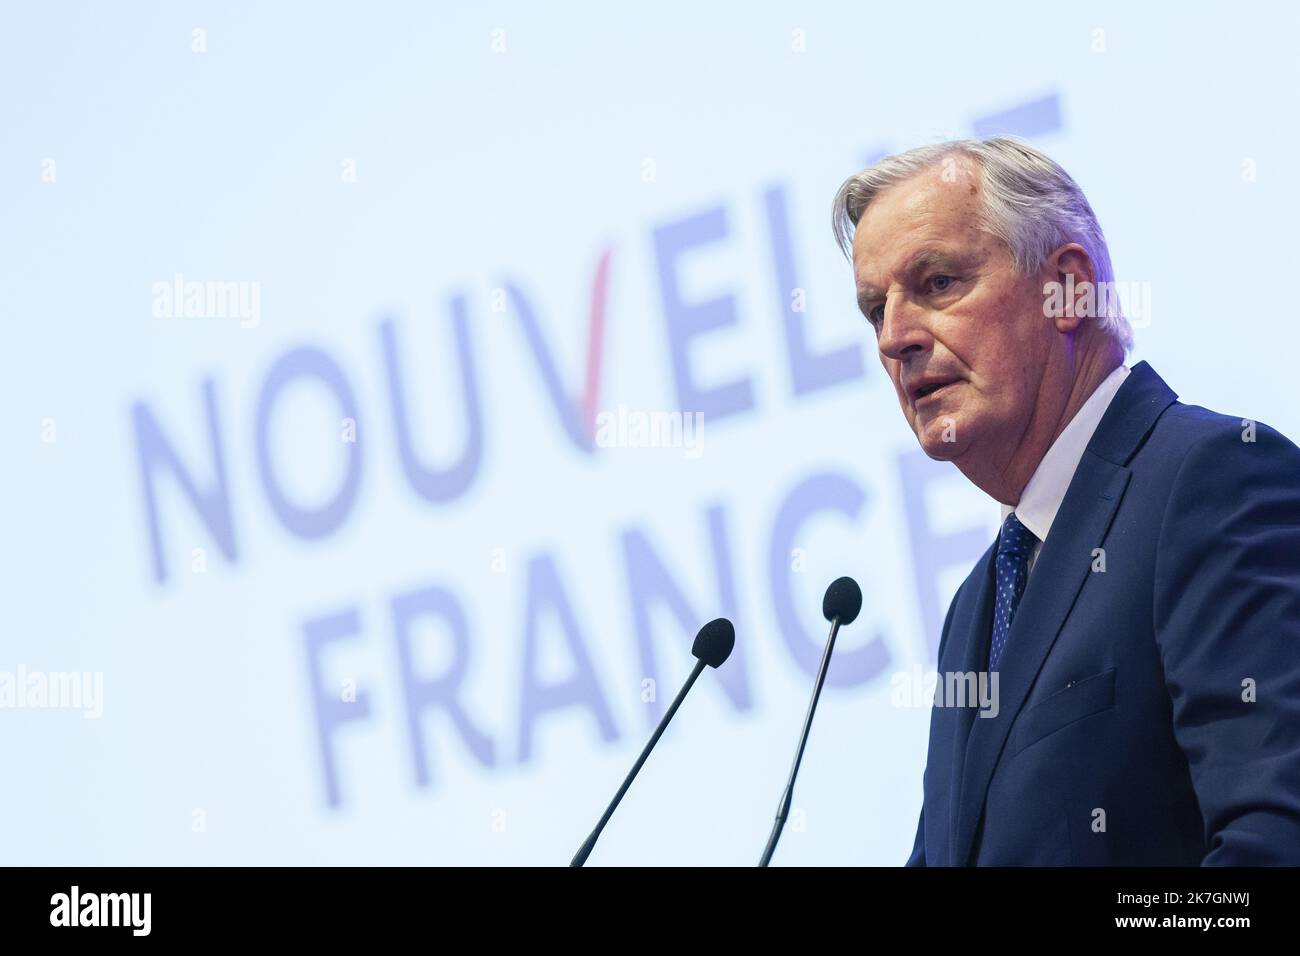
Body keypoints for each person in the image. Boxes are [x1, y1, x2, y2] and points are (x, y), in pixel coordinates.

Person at [833, 136, 1300, 864]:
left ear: (1069, 288)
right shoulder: (977, 605)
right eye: (874, 310)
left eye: (937, 283)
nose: (894, 338)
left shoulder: (1210, 482)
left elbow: (1276, 836)